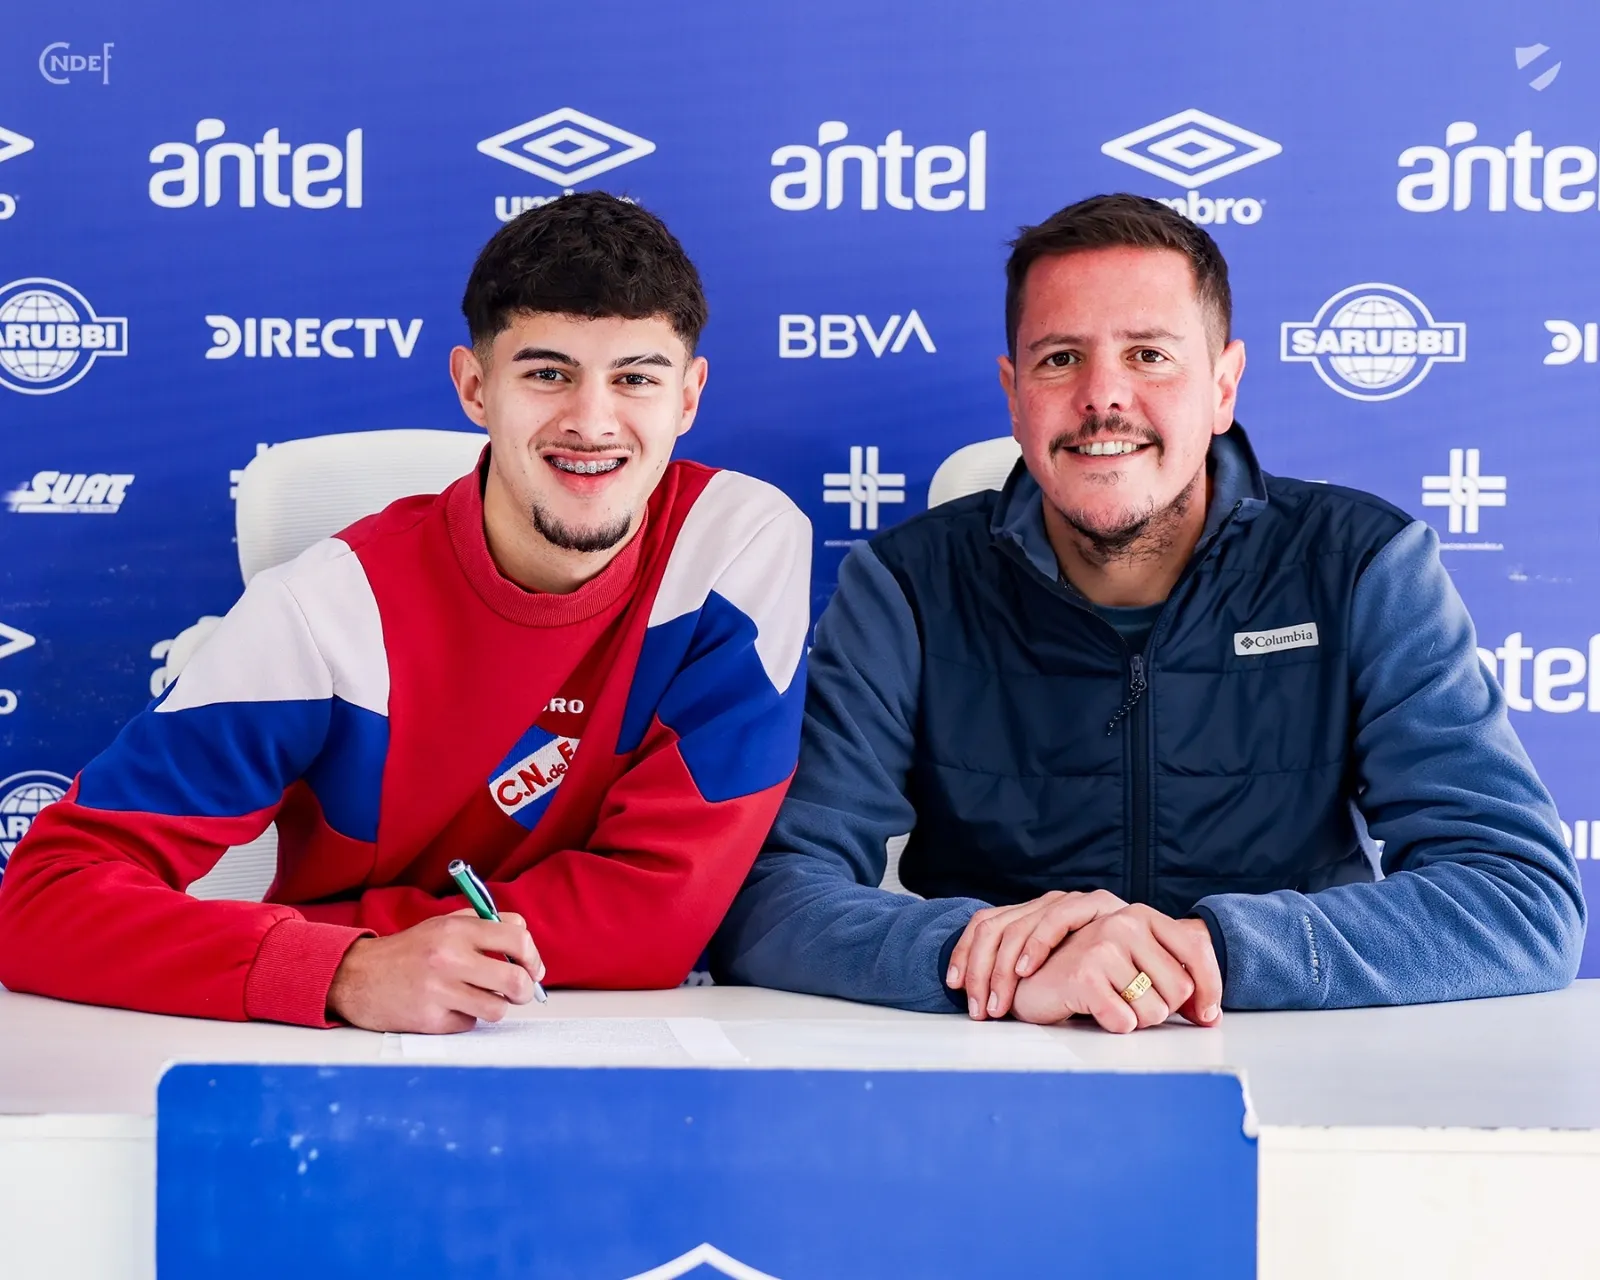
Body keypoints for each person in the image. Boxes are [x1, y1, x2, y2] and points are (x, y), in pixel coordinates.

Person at [712, 193, 1583, 1033]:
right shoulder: (904, 584)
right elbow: (768, 896)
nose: (1103, 397)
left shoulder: (1360, 565)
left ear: (1224, 385)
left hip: (1300, 1059)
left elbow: (1519, 898)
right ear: (1014, 394)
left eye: (1149, 355)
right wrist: (999, 958)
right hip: (1001, 1060)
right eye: (1061, 358)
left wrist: (1210, 952)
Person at [0, 193, 811, 1033]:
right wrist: (345, 972)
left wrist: (356, 943)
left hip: (624, 1049)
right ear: (475, 387)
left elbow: (655, 921)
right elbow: (44, 900)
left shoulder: (735, 546)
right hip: (351, 1051)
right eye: (547, 374)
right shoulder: (327, 608)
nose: (592, 422)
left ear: (688, 397)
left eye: (636, 378)